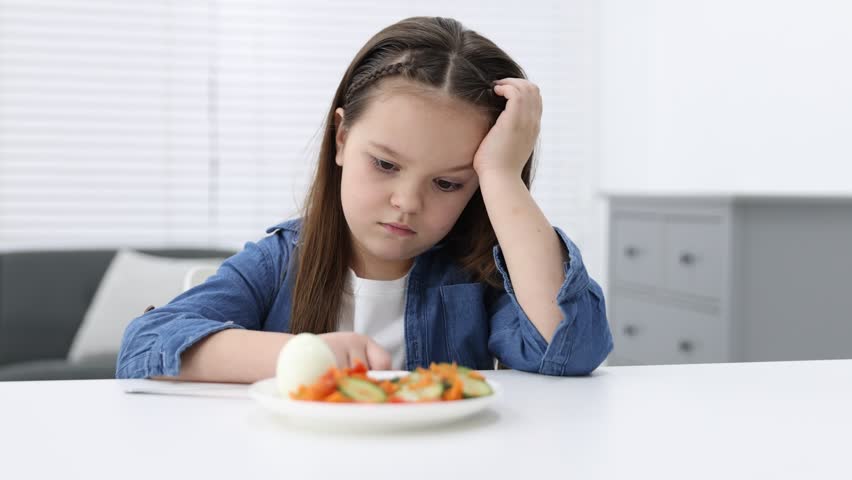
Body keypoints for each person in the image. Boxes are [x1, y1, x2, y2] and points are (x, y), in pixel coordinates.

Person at [116, 16, 612, 383]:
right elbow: (145, 347)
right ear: (341, 140)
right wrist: (306, 357)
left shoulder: (476, 278)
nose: (406, 202)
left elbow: (570, 348)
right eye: (385, 164)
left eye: (448, 183)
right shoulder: (279, 261)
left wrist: (503, 176)